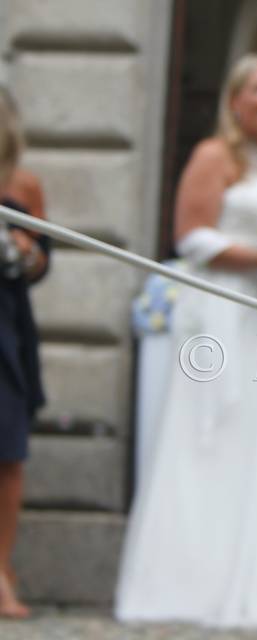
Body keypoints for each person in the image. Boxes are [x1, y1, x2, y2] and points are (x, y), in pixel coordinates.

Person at [115, 54, 257, 632]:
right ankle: (192, 582)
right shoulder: (214, 156)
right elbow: (191, 237)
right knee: (214, 436)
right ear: (235, 100)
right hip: (221, 315)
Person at [0, 89, 50, 619]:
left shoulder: (22, 185)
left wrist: (28, 252)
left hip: (5, 330)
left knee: (8, 453)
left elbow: (41, 266)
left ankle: (1, 572)